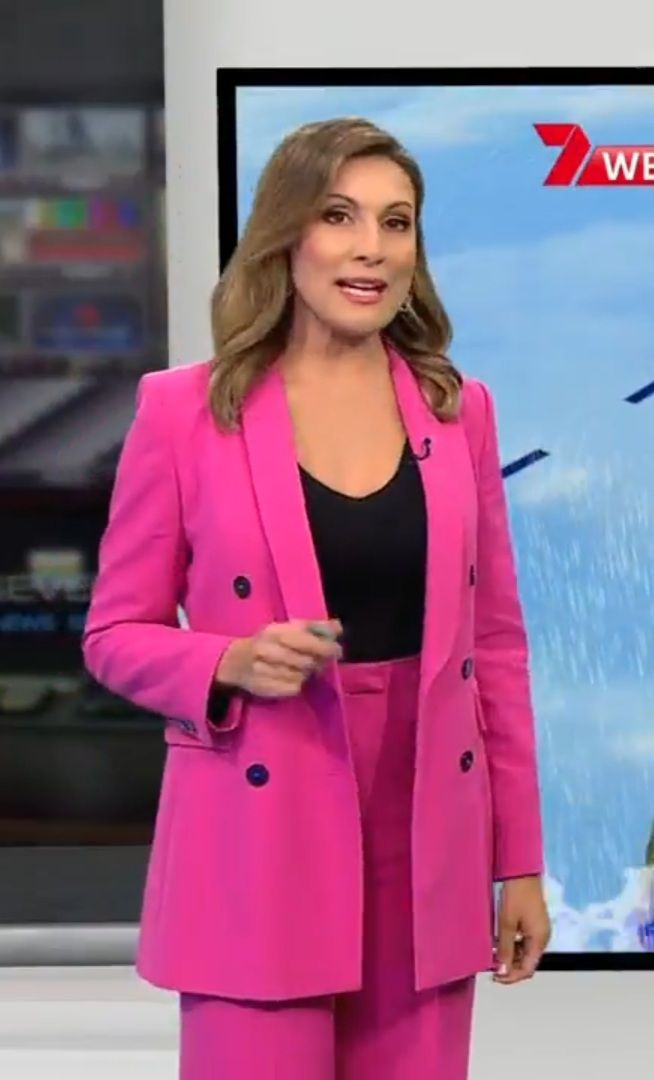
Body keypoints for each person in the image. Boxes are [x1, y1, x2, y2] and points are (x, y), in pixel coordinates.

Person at [82, 116, 551, 1079]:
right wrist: (227, 659)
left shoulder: (459, 410)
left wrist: (519, 862)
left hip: (427, 834)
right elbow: (114, 633)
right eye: (340, 216)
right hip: (260, 835)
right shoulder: (183, 411)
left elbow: (495, 647)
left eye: (396, 221)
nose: (371, 247)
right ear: (286, 232)